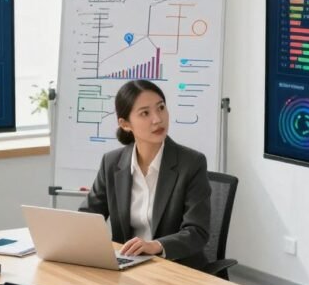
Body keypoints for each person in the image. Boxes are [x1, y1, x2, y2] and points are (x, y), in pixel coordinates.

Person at [80, 79, 211, 266]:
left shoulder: (191, 163)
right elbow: (88, 217)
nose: (157, 119)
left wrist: (156, 246)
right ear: (125, 124)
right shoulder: (112, 163)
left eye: (161, 108)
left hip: (176, 266)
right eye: (145, 113)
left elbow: (197, 232)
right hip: (129, 264)